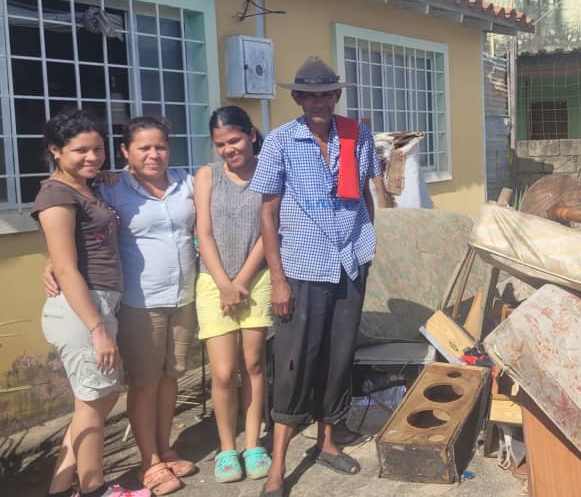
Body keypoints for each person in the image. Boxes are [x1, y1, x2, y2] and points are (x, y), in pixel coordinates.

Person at [250, 56, 381, 497]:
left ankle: (327, 442)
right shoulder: (280, 142)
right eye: (311, 95)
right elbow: (267, 214)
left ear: (337, 95)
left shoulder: (357, 135)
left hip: (349, 261)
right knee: (293, 361)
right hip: (302, 267)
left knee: (339, 355)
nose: (320, 102)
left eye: (328, 93)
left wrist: (367, 244)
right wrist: (279, 279)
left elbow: (366, 193)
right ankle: (279, 465)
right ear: (297, 98)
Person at [46, 116, 198, 495]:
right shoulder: (111, 189)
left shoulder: (186, 182)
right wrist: (52, 265)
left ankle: (165, 449)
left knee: (169, 378)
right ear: (125, 152)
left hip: (183, 297)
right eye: (143, 147)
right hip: (138, 302)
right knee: (142, 385)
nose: (153, 154)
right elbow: (73, 237)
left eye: (160, 146)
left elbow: (89, 231)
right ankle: (148, 463)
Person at [35, 110, 151, 497]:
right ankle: (94, 488)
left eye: (97, 149)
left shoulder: (85, 186)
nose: (91, 157)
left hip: (98, 304)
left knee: (95, 400)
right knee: (96, 401)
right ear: (55, 151)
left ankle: (58, 489)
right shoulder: (55, 194)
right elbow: (67, 270)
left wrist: (100, 178)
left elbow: (78, 248)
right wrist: (97, 329)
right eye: (79, 151)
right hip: (83, 310)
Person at [194, 106, 272, 483]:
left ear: (251, 135)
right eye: (220, 144)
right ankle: (227, 449)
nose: (229, 149)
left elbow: (267, 231)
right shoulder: (207, 176)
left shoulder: (269, 172)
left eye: (235, 140)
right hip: (213, 282)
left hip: (256, 279)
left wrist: (240, 281)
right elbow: (203, 232)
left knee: (253, 365)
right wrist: (224, 283)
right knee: (224, 372)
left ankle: (254, 442)